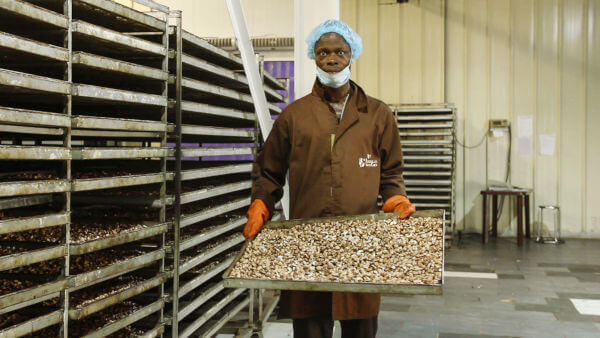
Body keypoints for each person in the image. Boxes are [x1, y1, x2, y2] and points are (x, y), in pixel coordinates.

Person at [242, 19, 416, 338]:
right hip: (307, 244)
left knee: (360, 326)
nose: (331, 58)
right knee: (310, 326)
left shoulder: (378, 115)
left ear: (352, 55)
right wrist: (260, 204)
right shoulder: (294, 116)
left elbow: (392, 172)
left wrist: (395, 197)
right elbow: (269, 171)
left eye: (339, 51)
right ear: (314, 56)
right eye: (323, 51)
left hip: (360, 245)